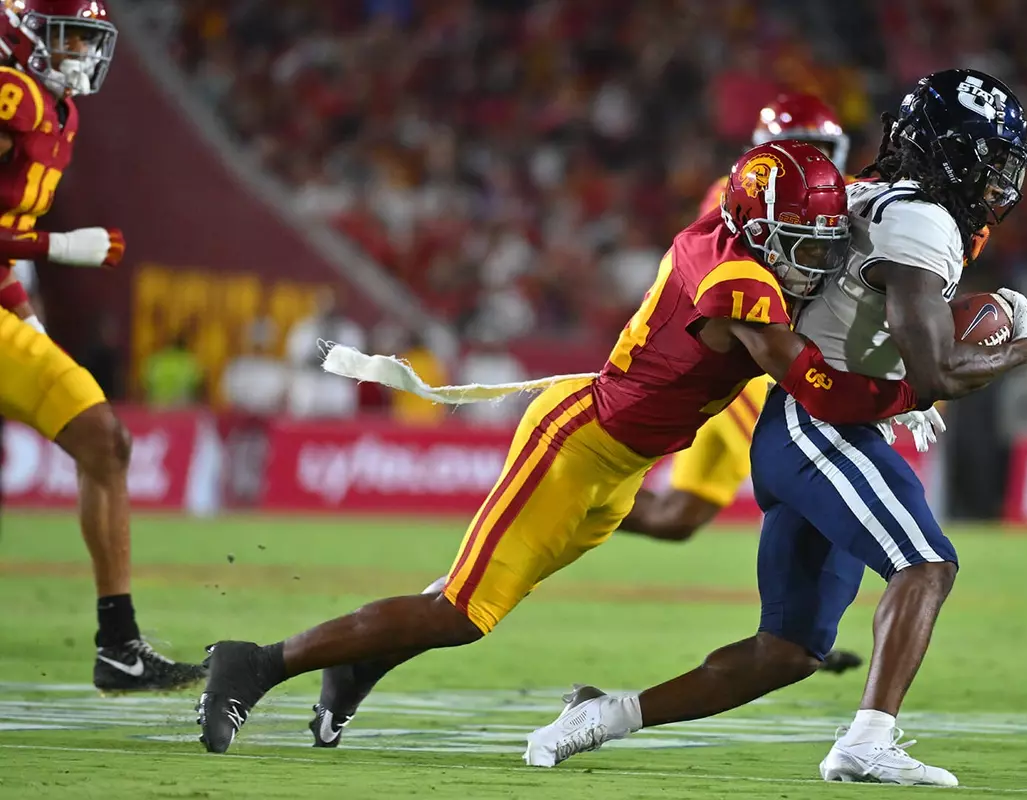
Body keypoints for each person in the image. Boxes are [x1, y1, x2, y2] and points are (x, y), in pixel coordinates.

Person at [197, 141, 932, 754]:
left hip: (618, 465)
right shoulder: (739, 281)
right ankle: (256, 663)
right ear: (758, 230)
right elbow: (822, 392)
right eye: (802, 242)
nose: (816, 258)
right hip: (577, 446)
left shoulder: (735, 239)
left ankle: (357, 667)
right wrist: (915, 388)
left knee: (479, 597)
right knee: (462, 610)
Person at [524, 68, 1027, 787]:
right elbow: (935, 376)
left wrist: (901, 372)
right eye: (990, 159)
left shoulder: (879, 196)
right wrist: (1020, 342)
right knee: (925, 564)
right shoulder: (922, 220)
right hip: (823, 425)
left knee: (789, 648)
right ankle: (868, 740)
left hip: (802, 424)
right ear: (953, 154)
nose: (999, 181)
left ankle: (600, 715)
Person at [618, 91, 864, 675]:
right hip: (755, 369)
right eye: (793, 146)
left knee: (678, 520)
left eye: (820, 149)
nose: (808, 160)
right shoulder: (739, 198)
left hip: (787, 363)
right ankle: (796, 633)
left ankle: (795, 634)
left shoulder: (846, 193)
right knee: (813, 495)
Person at [0, 0, 204, 692]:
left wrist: (24, 314)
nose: (79, 55)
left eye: (87, 40)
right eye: (67, 39)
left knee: (104, 441)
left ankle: (119, 645)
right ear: (23, 34)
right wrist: (57, 246)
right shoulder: (11, 96)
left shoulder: (58, 113)